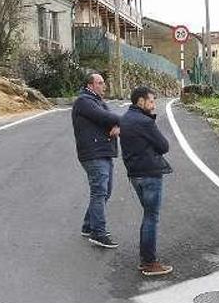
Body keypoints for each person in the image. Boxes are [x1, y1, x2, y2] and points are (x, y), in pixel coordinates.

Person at [119, 87, 173, 277]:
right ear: (140, 101)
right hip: (150, 173)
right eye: (151, 101)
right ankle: (149, 262)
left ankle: (146, 259)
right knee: (151, 217)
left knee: (148, 215)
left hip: (134, 174)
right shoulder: (145, 121)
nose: (153, 104)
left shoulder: (124, 119)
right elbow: (164, 146)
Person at [72, 72, 120, 249]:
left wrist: (115, 124)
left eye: (103, 83)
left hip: (102, 152)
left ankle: (88, 225)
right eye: (99, 83)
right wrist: (121, 121)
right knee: (99, 192)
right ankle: (98, 233)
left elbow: (108, 119)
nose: (103, 86)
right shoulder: (84, 101)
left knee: (104, 192)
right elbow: (105, 118)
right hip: (93, 153)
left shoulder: (97, 101)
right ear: (90, 85)